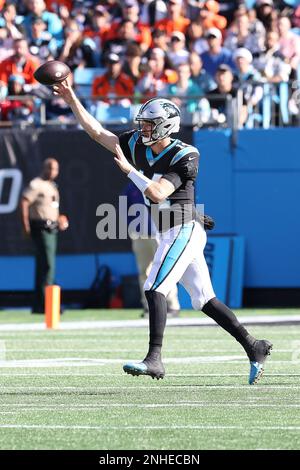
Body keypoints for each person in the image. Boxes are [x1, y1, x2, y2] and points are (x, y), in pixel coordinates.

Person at [53, 81, 273, 385]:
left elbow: (158, 192)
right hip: (174, 227)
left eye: (149, 124)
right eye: (142, 124)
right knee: (204, 300)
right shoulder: (136, 145)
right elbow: (97, 132)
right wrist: (71, 98)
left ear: (166, 126)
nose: (143, 130)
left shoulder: (185, 154)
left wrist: (130, 171)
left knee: (155, 286)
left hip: (182, 230)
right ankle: (254, 345)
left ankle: (154, 359)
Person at [20, 158, 69, 313]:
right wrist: (25, 225)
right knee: (47, 265)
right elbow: (24, 202)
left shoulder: (52, 186)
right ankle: (46, 304)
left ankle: (41, 303)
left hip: (52, 228)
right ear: (45, 168)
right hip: (41, 228)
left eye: (56, 169)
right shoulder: (37, 184)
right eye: (51, 168)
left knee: (45, 265)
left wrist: (60, 219)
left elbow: (52, 208)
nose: (53, 172)